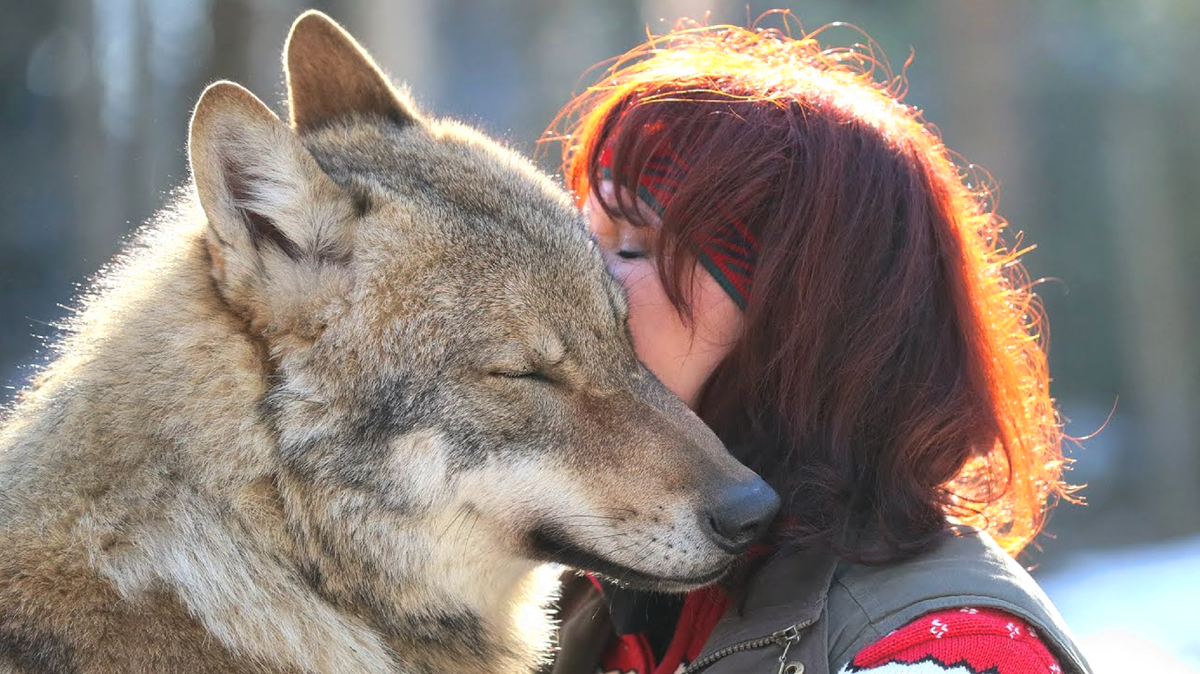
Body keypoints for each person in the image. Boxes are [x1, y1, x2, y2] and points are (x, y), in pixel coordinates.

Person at [545, 15, 1093, 674]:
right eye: (580, 235)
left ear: (800, 321)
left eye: (630, 245)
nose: (572, 278)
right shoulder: (575, 593)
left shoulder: (941, 649)